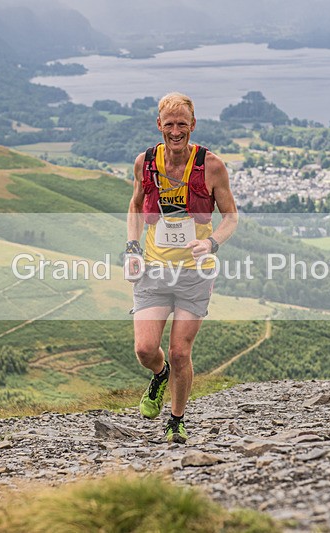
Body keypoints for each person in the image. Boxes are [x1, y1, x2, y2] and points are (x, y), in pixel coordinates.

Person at [124, 92, 238, 443]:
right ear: (159, 125)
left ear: (193, 126)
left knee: (180, 350)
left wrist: (211, 242)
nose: (176, 131)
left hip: (194, 273)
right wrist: (132, 247)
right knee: (145, 350)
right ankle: (160, 375)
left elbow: (230, 216)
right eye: (169, 124)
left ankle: (176, 420)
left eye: (182, 124)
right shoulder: (145, 162)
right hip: (155, 269)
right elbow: (135, 205)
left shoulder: (212, 165)